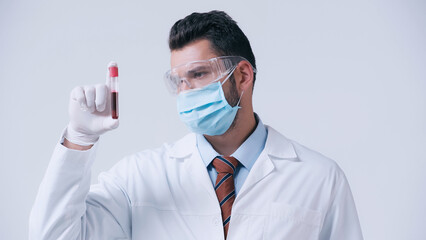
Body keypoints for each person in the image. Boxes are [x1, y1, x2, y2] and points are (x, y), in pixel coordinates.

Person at [29, 10, 363, 240]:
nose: (186, 92)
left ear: (243, 76)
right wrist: (79, 139)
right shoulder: (139, 178)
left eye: (198, 75)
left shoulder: (319, 178)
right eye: (178, 81)